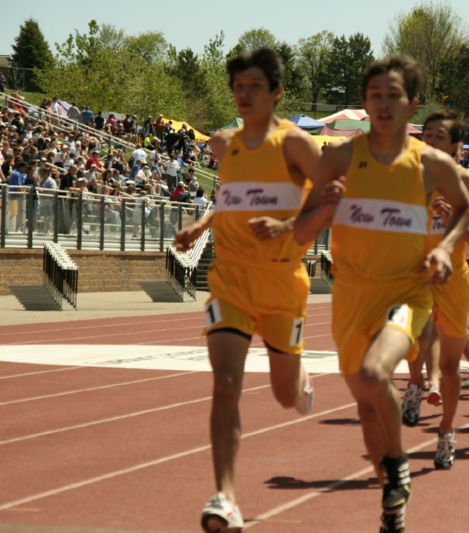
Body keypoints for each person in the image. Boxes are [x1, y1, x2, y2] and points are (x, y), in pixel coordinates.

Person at [295, 56, 469, 533]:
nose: (384, 104)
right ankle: (392, 506)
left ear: (411, 103)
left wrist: (447, 249)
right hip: (352, 295)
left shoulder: (431, 164)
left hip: (409, 292)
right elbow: (302, 228)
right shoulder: (339, 157)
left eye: (394, 95)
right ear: (365, 102)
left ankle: (397, 467)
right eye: (375, 95)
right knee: (365, 404)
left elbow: (465, 208)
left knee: (377, 373)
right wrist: (311, 215)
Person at [172, 48, 320, 533]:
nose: (244, 95)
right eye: (238, 87)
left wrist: (288, 226)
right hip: (231, 280)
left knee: (282, 395)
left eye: (255, 86)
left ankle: (300, 383)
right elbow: (232, 199)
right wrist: (200, 224)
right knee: (226, 384)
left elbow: (333, 196)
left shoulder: (295, 145)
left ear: (276, 92)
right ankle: (226, 498)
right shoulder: (226, 144)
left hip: (281, 282)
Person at [401, 109, 469, 471]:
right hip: (413, 273)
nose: (431, 141)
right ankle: (414, 384)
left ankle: (447, 430)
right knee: (410, 336)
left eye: (440, 137)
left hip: (452, 277)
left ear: (455, 145)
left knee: (452, 367)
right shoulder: (408, 176)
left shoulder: (467, 181)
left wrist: (457, 215)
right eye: (427, 135)